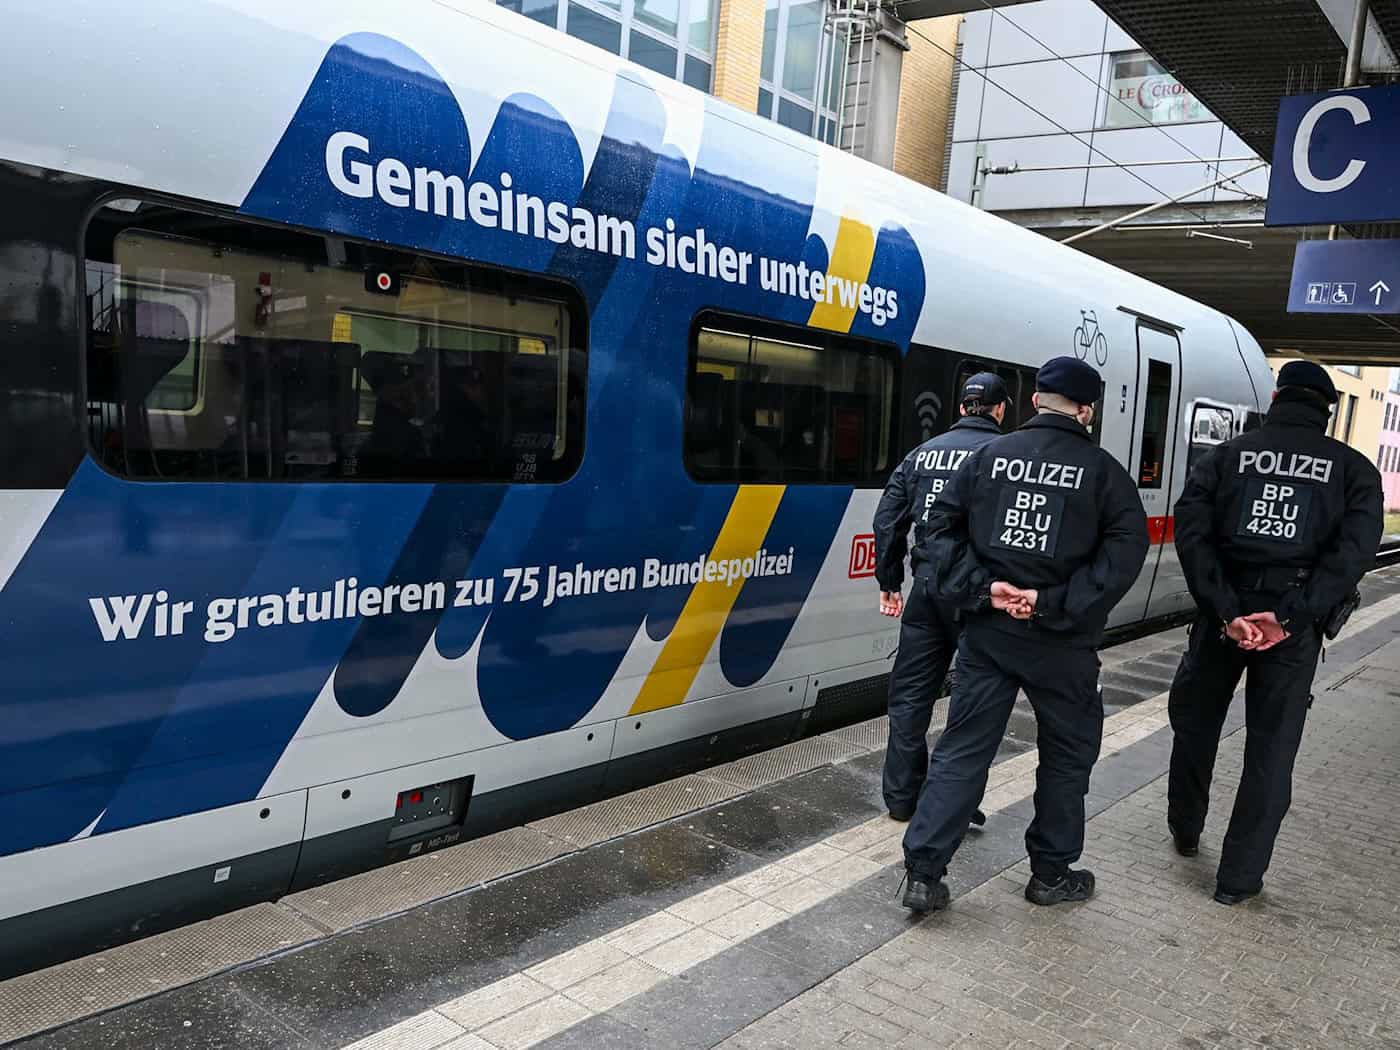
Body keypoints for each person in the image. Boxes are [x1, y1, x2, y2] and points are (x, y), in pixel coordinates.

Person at [900, 357, 1149, 912]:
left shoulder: (987, 457)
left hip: (989, 636)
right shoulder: (1106, 473)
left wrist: (984, 589)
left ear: (1036, 400)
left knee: (962, 750)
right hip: (1062, 643)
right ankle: (1050, 875)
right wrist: (1052, 601)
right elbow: (1124, 555)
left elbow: (936, 526)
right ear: (1087, 410)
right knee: (1066, 755)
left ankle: (923, 873)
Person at [1166, 360, 1382, 905]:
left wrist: (1226, 611)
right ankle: (1237, 882)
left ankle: (1186, 832)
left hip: (1223, 618)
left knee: (1196, 726)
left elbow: (1193, 536)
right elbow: (1350, 558)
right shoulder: (1353, 470)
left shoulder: (1225, 457)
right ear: (1327, 410)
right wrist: (1290, 617)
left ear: (1277, 396)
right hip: (1292, 630)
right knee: (1271, 750)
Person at [873, 372, 1010, 824]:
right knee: (971, 705)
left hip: (926, 593)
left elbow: (887, 522)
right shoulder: (1006, 457)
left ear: (959, 409)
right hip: (978, 597)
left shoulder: (920, 455)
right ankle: (954, 800)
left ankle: (900, 798)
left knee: (909, 696)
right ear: (1001, 409)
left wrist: (889, 582)